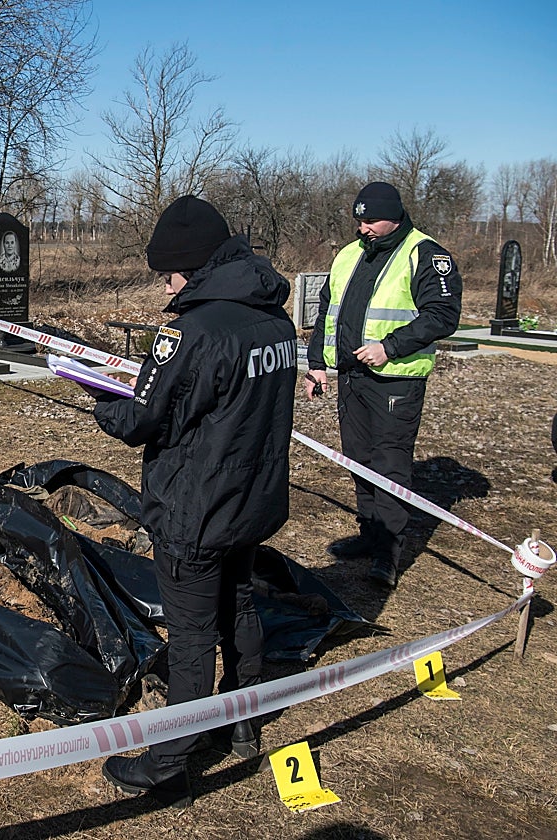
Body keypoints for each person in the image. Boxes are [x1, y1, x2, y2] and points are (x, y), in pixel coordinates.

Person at [90, 195, 297, 806]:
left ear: (193, 265)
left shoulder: (193, 332)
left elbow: (144, 419)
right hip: (249, 500)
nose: (167, 283)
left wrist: (101, 401)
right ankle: (243, 722)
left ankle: (168, 762)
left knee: (190, 635)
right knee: (239, 609)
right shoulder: (276, 324)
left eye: (169, 271)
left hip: (195, 509)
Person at [304, 182, 462, 587]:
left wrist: (389, 348)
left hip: (395, 381)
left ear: (395, 215)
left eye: (371, 220)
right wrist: (318, 363)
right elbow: (327, 311)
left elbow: (442, 315)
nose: (363, 227)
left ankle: (388, 553)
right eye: (359, 219)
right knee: (357, 458)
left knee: (389, 464)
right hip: (352, 377)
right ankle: (369, 535)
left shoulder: (425, 254)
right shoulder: (349, 254)